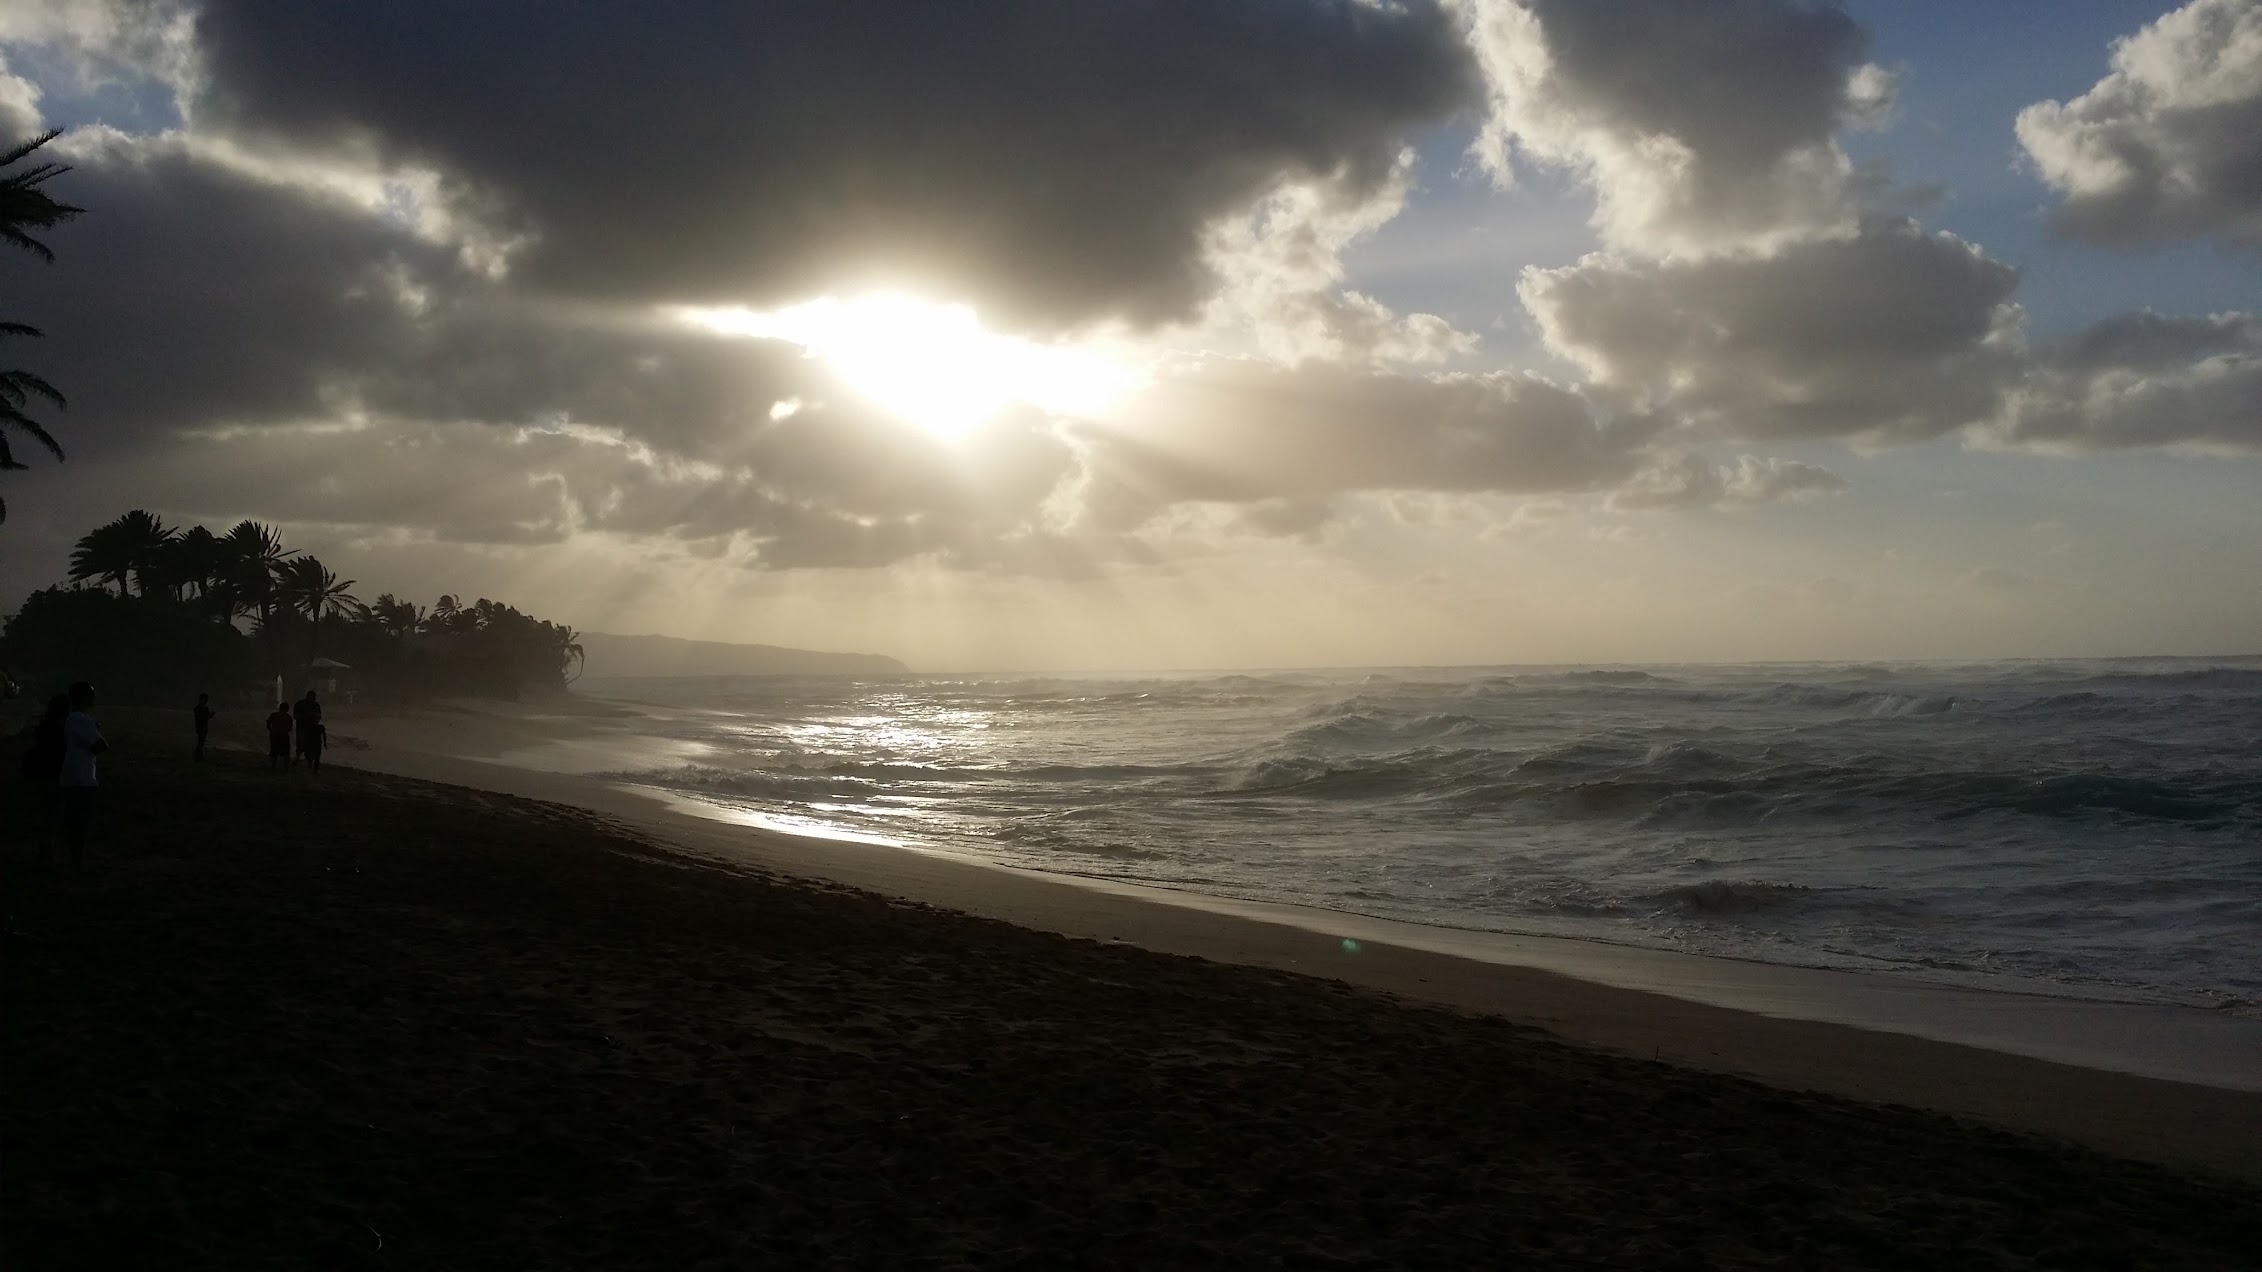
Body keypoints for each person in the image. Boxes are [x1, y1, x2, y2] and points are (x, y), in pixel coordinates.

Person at [58, 681, 106, 874]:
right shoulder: (82, 720)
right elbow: (99, 746)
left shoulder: (70, 719)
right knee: (80, 823)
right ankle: (78, 863)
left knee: (73, 822)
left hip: (71, 776)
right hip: (83, 777)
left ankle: (74, 860)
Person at [17, 693, 68, 862]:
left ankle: (45, 850)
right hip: (54, 773)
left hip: (43, 772)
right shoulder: (60, 729)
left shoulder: (44, 727)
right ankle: (47, 852)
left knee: (46, 812)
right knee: (52, 814)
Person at [293, 690, 323, 771]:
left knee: (309, 746)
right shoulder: (301, 704)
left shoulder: (315, 705)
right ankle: (298, 758)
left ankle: (307, 761)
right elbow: (295, 716)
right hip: (303, 728)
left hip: (311, 728)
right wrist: (306, 716)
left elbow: (319, 716)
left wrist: (315, 718)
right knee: (301, 745)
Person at [265, 701, 293, 770]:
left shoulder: (274, 715)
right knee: (286, 752)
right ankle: (285, 767)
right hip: (284, 735)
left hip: (275, 735)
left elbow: (268, 724)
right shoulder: (288, 716)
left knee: (274, 751)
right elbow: (290, 727)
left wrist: (271, 731)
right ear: (287, 709)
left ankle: (273, 766)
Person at [192, 692, 215, 762]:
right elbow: (201, 717)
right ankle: (198, 757)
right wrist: (209, 715)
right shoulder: (198, 708)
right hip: (200, 727)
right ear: (201, 699)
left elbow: (207, 717)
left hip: (203, 727)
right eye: (205, 699)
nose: (206, 701)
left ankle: (199, 757)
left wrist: (211, 715)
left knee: (201, 743)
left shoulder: (202, 708)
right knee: (200, 743)